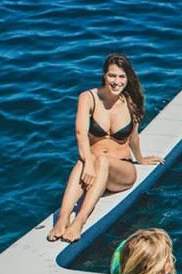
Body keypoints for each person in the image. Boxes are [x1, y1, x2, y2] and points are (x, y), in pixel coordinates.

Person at [47, 53, 163, 243]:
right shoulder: (88, 98)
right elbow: (80, 133)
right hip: (94, 166)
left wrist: (141, 159)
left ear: (128, 78)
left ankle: (79, 221)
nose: (116, 82)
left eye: (121, 77)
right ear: (104, 75)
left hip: (121, 170)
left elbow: (133, 136)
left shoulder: (130, 102)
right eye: (112, 76)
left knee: (100, 160)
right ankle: (63, 218)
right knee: (84, 161)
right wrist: (88, 164)